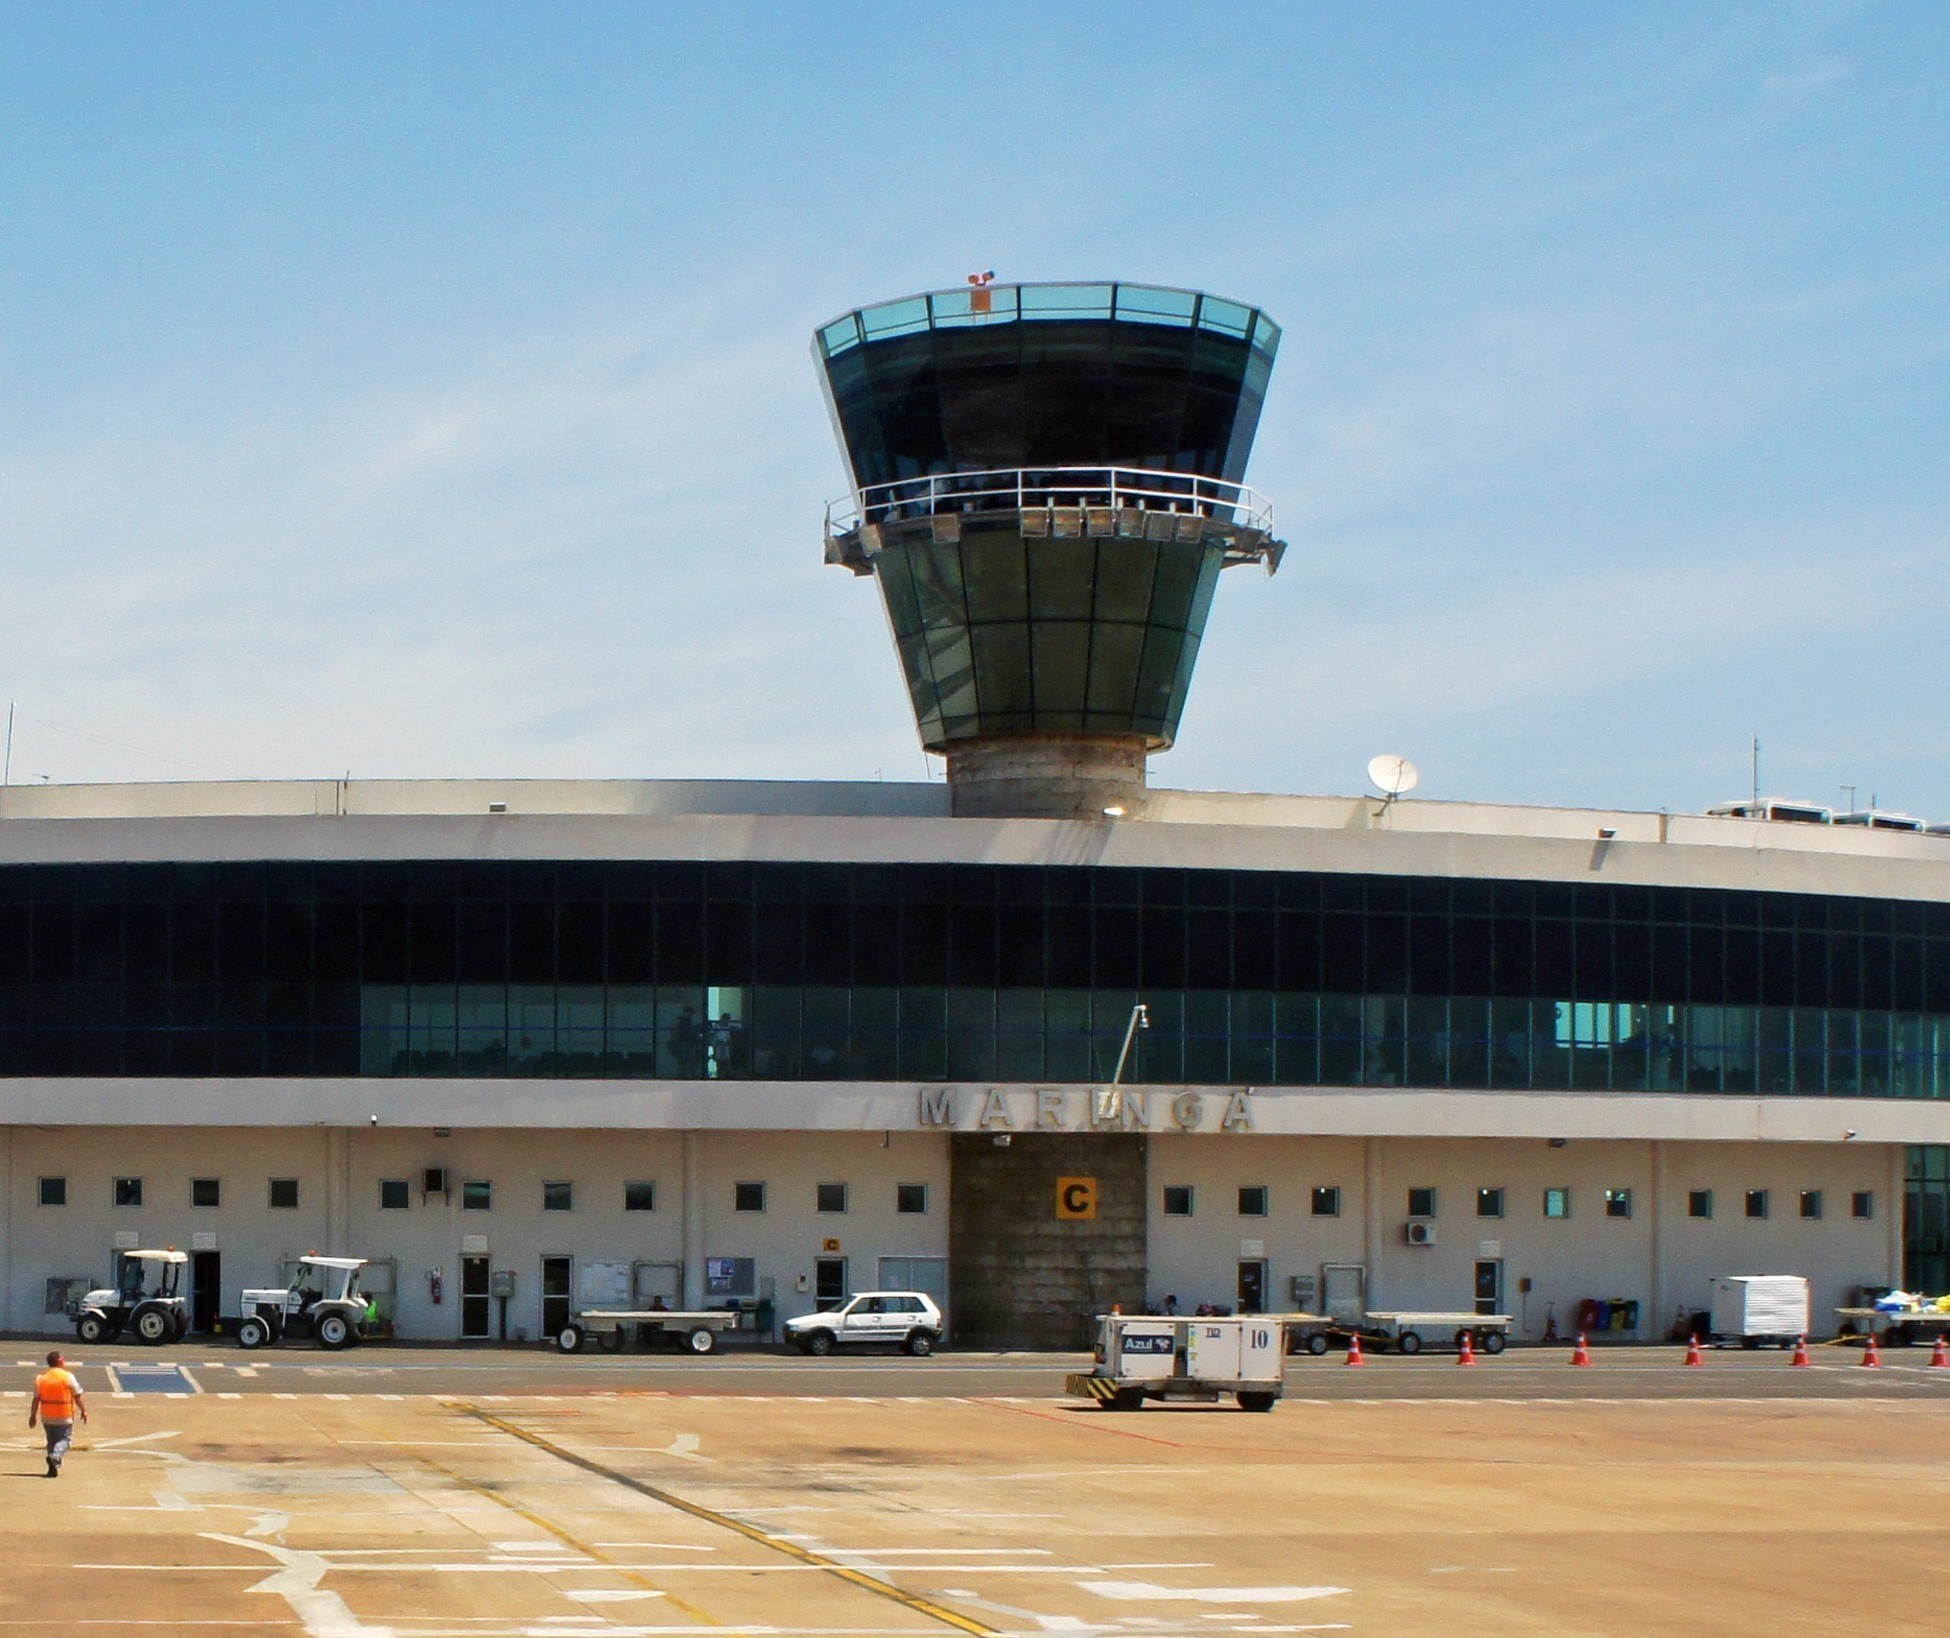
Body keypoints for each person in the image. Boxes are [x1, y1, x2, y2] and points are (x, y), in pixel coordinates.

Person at [28, 1350, 87, 1479]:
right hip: (64, 1415)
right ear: (60, 1361)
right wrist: (83, 1410)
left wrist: (33, 1416)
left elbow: (36, 1399)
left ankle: (52, 1467)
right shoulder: (67, 1377)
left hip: (47, 1416)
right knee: (65, 1440)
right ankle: (55, 1457)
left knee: (51, 1441)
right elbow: (77, 1396)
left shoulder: (41, 1378)